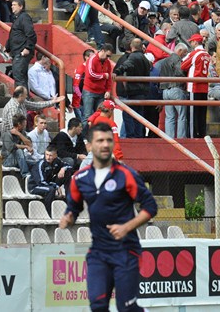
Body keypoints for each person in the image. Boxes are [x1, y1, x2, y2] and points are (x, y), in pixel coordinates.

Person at [60, 123, 158, 312]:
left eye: (109, 141)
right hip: (99, 253)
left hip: (126, 251)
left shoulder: (126, 174)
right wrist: (68, 217)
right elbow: (74, 207)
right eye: (100, 141)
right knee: (97, 306)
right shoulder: (80, 179)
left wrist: (126, 227)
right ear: (89, 145)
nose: (105, 145)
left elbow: (150, 207)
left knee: (126, 308)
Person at [6, 0, 36, 90]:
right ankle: (23, 101)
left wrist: (28, 48)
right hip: (17, 52)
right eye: (12, 5)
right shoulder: (18, 18)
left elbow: (31, 34)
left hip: (21, 52)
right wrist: (7, 47)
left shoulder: (24, 17)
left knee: (19, 78)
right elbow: (14, 35)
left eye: (14, 5)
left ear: (21, 6)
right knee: (20, 78)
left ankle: (22, 101)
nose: (12, 7)